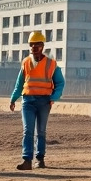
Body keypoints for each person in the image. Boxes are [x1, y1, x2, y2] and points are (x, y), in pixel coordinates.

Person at [9, 30, 65, 170]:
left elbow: (60, 83)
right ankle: (27, 160)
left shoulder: (51, 64)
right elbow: (19, 83)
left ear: (42, 46)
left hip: (44, 102)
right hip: (28, 101)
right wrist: (13, 99)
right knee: (28, 130)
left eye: (37, 45)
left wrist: (53, 98)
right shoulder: (26, 63)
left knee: (41, 131)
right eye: (32, 45)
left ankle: (40, 160)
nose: (34, 48)